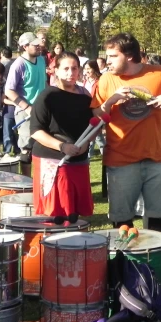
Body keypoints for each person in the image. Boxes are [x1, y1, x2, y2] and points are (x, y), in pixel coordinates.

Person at [91, 33, 161, 249]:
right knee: (122, 219)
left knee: (159, 217)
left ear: (129, 56)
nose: (107, 61)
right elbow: (97, 115)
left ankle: (155, 259)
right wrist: (112, 100)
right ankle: (125, 260)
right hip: (120, 160)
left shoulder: (158, 73)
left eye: (112, 56)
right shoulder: (106, 79)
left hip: (156, 158)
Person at [30, 52, 94, 217]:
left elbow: (92, 126)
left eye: (74, 68)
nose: (70, 73)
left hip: (78, 159)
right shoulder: (47, 96)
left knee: (75, 212)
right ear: (55, 70)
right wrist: (62, 146)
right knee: (55, 213)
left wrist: (85, 143)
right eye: (65, 68)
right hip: (51, 159)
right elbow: (36, 131)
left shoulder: (86, 97)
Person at [5, 32, 47, 173]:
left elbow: (44, 83)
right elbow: (9, 90)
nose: (39, 46)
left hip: (42, 110)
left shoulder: (41, 60)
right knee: (26, 149)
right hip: (25, 114)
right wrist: (27, 107)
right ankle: (26, 183)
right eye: (35, 45)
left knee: (43, 145)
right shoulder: (18, 64)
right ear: (25, 46)